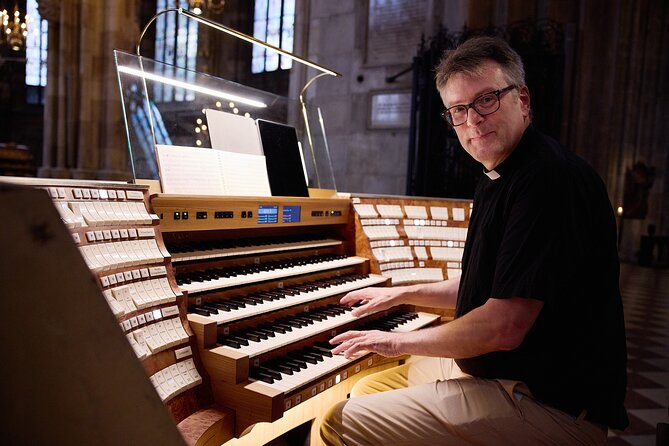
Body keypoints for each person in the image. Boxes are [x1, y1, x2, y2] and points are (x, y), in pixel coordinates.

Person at [320, 35, 628, 445]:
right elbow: (487, 286)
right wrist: (401, 294)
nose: (473, 120)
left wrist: (393, 339)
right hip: (502, 373)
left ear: (522, 98)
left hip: (549, 402)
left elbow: (503, 326)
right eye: (459, 110)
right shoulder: (498, 174)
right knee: (368, 387)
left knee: (338, 422)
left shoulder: (549, 180)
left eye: (486, 100)